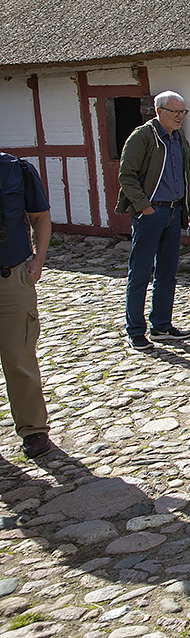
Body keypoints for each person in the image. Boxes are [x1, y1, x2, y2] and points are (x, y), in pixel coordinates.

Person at [117, 91, 190, 350]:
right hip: (151, 213)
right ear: (159, 111)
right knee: (141, 273)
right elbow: (126, 175)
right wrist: (145, 207)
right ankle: (135, 330)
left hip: (175, 211)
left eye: (183, 112)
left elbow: (184, 176)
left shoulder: (178, 137)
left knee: (168, 272)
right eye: (175, 112)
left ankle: (162, 325)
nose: (180, 117)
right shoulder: (143, 137)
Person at [0, 151, 53, 457]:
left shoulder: (15, 169)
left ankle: (33, 429)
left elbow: (40, 216)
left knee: (19, 357)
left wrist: (39, 260)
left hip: (11, 279)